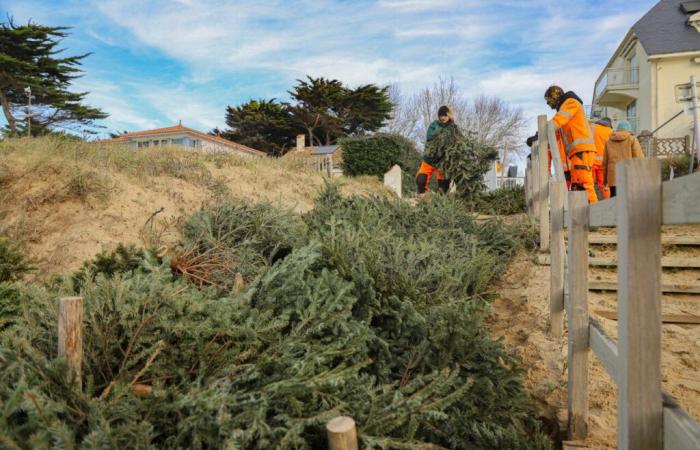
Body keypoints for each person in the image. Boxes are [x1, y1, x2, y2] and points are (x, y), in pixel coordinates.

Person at [545, 85, 598, 204]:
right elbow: (558, 128)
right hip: (577, 152)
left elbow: (557, 121)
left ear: (555, 96)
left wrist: (543, 130)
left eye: (548, 100)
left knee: (584, 184)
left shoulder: (570, 103)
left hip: (581, 150)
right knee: (577, 187)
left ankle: (596, 218)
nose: (548, 104)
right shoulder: (567, 105)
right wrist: (539, 133)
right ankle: (583, 217)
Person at [416, 105, 453, 195]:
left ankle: (440, 201)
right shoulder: (434, 125)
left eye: (445, 115)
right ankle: (423, 196)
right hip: (429, 158)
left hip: (442, 161)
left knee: (444, 186)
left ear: (449, 116)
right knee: (421, 180)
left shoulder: (453, 128)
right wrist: (440, 133)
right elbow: (429, 136)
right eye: (441, 115)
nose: (443, 117)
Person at [603, 119, 644, 197]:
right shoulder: (632, 139)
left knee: (615, 202)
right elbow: (639, 158)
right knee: (628, 202)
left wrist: (605, 179)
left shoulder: (608, 141)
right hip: (629, 176)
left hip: (613, 177)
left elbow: (605, 162)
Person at [591, 117, 613, 199]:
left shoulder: (592, 127)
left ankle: (590, 203)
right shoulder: (610, 132)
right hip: (603, 163)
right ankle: (608, 203)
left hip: (591, 161)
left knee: (589, 185)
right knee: (604, 186)